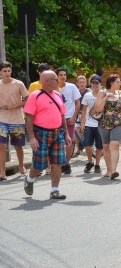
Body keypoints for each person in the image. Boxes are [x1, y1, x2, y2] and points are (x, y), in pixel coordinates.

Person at [23, 70, 71, 199]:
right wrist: (32, 137)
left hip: (57, 133)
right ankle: (30, 178)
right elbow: (28, 118)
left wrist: (66, 134)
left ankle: (54, 190)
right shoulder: (35, 96)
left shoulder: (58, 95)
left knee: (57, 163)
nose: (59, 81)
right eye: (56, 79)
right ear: (47, 81)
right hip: (41, 133)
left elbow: (62, 115)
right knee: (40, 165)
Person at [94, 74, 121, 179]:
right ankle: (109, 169)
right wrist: (105, 98)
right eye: (118, 82)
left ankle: (114, 170)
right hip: (104, 123)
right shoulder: (102, 92)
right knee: (106, 147)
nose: (120, 84)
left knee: (115, 144)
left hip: (118, 122)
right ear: (111, 83)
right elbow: (98, 109)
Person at [0, 61, 29, 180]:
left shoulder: (18, 84)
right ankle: (2, 172)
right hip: (2, 119)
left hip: (17, 120)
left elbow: (27, 100)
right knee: (1, 146)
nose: (7, 73)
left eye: (8, 70)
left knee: (18, 146)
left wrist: (14, 105)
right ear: (0, 72)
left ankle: (21, 167)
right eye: (4, 71)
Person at [56, 68, 81, 174]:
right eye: (61, 74)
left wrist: (74, 116)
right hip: (56, 119)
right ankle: (58, 163)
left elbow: (78, 103)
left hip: (69, 118)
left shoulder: (72, 87)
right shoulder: (54, 88)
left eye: (65, 74)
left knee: (69, 141)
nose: (63, 76)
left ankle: (66, 163)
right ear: (57, 76)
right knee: (57, 142)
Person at [80, 74, 103, 174]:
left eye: (97, 83)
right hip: (89, 123)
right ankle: (90, 161)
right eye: (93, 83)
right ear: (91, 84)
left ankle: (97, 164)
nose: (95, 85)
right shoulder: (87, 95)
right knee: (87, 144)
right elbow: (84, 110)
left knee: (99, 146)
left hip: (100, 124)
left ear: (100, 84)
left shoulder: (104, 94)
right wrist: (82, 123)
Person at [73, 75, 91, 157]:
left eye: (83, 82)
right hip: (78, 115)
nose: (82, 84)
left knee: (88, 132)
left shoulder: (89, 92)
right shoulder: (75, 92)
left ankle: (90, 148)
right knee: (76, 131)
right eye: (80, 82)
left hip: (88, 115)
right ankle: (78, 147)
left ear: (86, 83)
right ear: (77, 83)